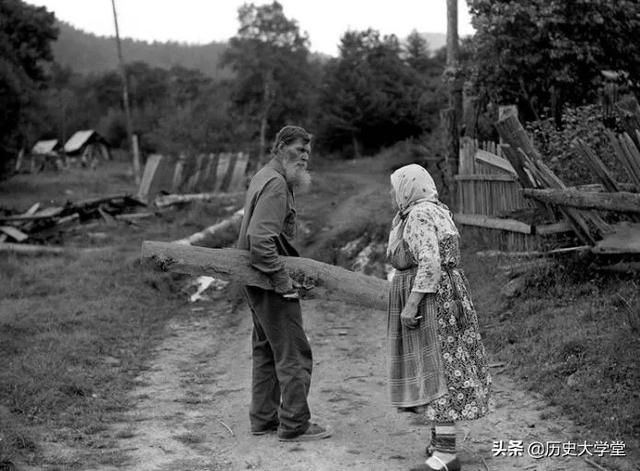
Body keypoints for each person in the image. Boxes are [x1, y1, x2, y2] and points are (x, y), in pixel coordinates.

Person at [386, 164, 491, 471]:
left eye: (395, 188)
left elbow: (429, 263)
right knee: (444, 367)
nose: (392, 195)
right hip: (449, 295)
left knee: (438, 371)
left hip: (434, 301)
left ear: (408, 188)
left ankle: (445, 457)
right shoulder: (436, 210)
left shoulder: (418, 214)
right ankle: (438, 443)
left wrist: (412, 303)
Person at [237, 125, 331, 442]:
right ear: (280, 147)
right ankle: (294, 424)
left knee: (266, 349)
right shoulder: (276, 185)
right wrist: (282, 281)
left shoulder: (267, 176)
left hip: (255, 281)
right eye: (298, 150)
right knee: (294, 353)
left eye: (307, 152)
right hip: (267, 281)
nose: (304, 157)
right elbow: (260, 240)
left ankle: (264, 419)